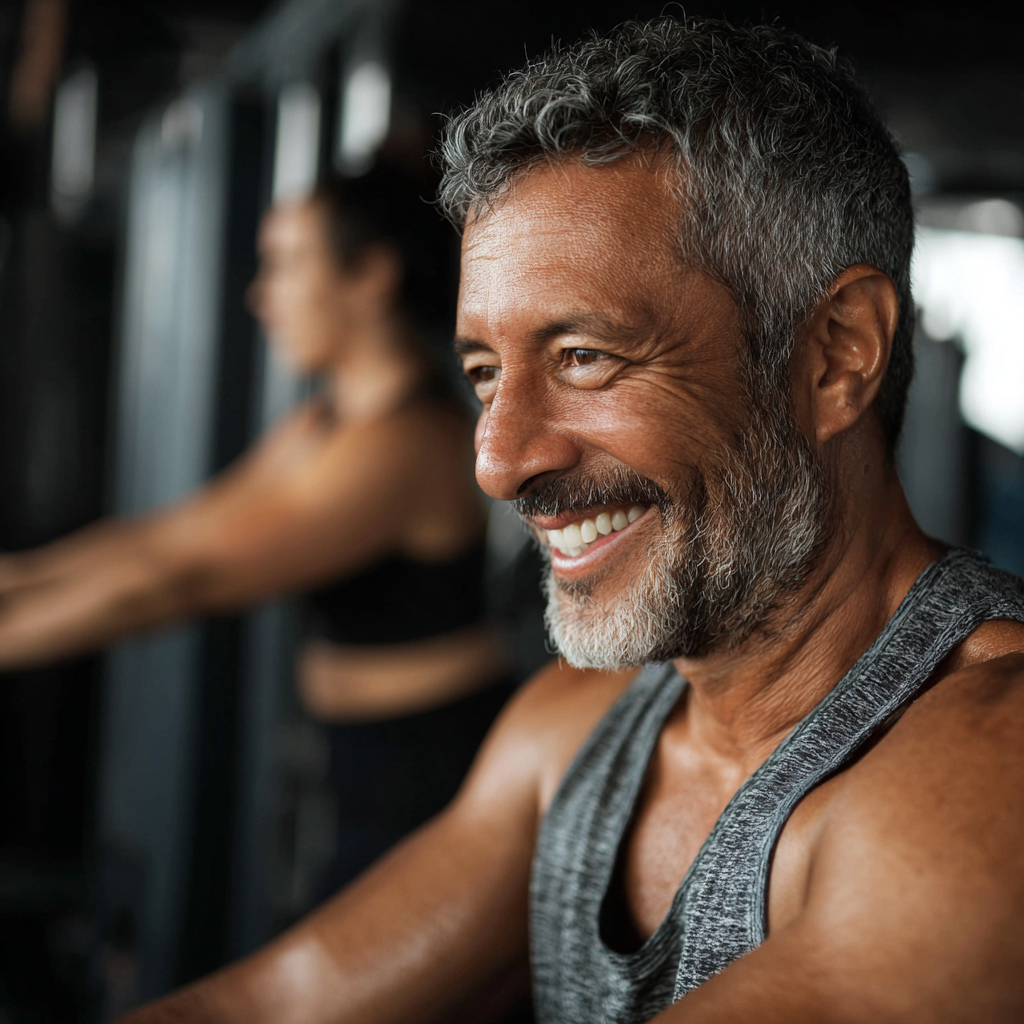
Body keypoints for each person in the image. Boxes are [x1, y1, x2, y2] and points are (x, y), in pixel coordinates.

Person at [121, 15, 1024, 1023]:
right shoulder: (569, 733)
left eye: (584, 356)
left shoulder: (992, 761)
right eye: (483, 372)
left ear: (835, 352)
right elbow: (267, 1007)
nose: (499, 460)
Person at [0, 164, 512, 890]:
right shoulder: (322, 422)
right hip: (364, 760)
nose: (259, 295)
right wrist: (15, 578)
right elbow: (173, 535)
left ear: (369, 275)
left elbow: (180, 581)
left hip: (429, 772)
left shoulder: (405, 444)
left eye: (284, 265)